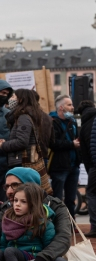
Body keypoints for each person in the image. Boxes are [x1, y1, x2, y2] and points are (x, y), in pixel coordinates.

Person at [48, 95, 80, 216]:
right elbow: (53, 143)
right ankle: (58, 225)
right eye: (69, 105)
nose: (72, 107)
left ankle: (72, 225)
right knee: (57, 199)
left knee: (71, 199)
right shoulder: (52, 121)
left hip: (73, 167)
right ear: (61, 107)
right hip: (59, 167)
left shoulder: (72, 121)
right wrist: (71, 144)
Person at [0, 89, 44, 171]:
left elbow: (22, 141)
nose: (10, 99)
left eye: (13, 96)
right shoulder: (30, 114)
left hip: (21, 161)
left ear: (21, 99)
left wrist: (3, 145)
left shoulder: (23, 117)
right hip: (23, 160)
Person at [81, 100, 96, 237]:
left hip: (94, 165)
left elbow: (88, 148)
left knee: (91, 193)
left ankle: (95, 226)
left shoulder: (87, 122)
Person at [32, 91, 52, 164]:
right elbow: (52, 141)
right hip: (44, 155)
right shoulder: (48, 117)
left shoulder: (26, 115)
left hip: (30, 158)